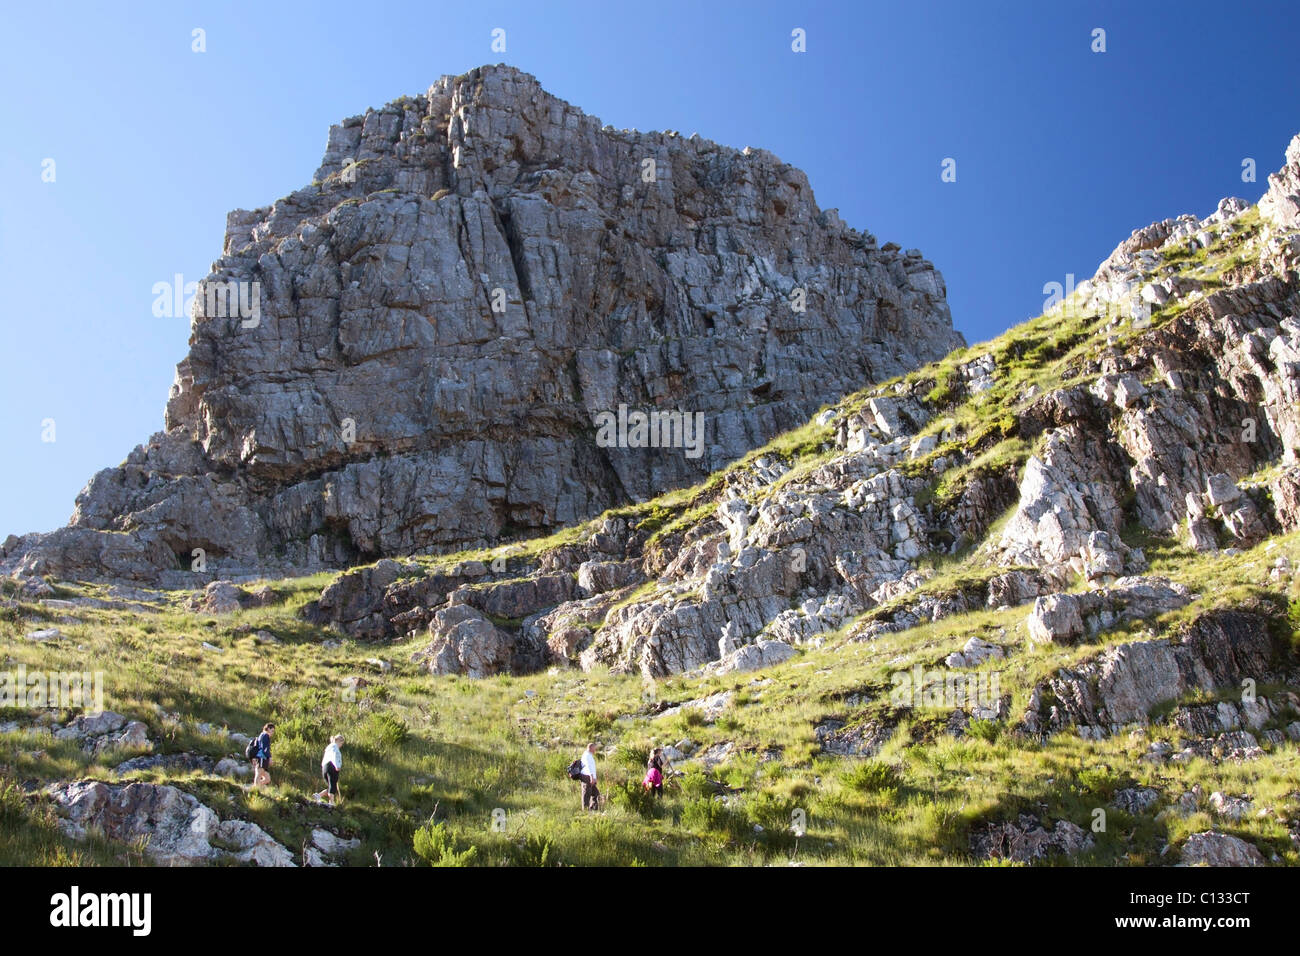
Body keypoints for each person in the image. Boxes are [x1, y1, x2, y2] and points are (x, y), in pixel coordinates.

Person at [314, 734, 345, 806]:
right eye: (341, 743)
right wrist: (337, 766)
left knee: (330, 786)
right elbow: (334, 756)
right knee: (332, 785)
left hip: (325, 767)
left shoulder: (328, 748)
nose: (341, 745)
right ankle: (331, 802)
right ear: (338, 741)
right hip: (331, 767)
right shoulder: (334, 747)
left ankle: (318, 795)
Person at [251, 723, 274, 787]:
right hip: (261, 757)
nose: (272, 733)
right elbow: (264, 749)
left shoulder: (262, 735)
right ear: (268, 729)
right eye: (272, 731)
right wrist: (270, 758)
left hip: (262, 758)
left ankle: (256, 787)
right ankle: (255, 789)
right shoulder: (265, 735)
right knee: (258, 774)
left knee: (267, 778)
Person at [578, 742, 599, 811]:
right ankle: (585, 811)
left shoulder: (589, 755)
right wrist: (592, 777)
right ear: (590, 748)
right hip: (587, 777)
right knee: (586, 794)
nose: (595, 750)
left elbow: (592, 768)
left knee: (595, 793)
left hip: (590, 777)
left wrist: (595, 778)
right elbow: (588, 767)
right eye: (594, 749)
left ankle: (593, 809)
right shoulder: (586, 755)